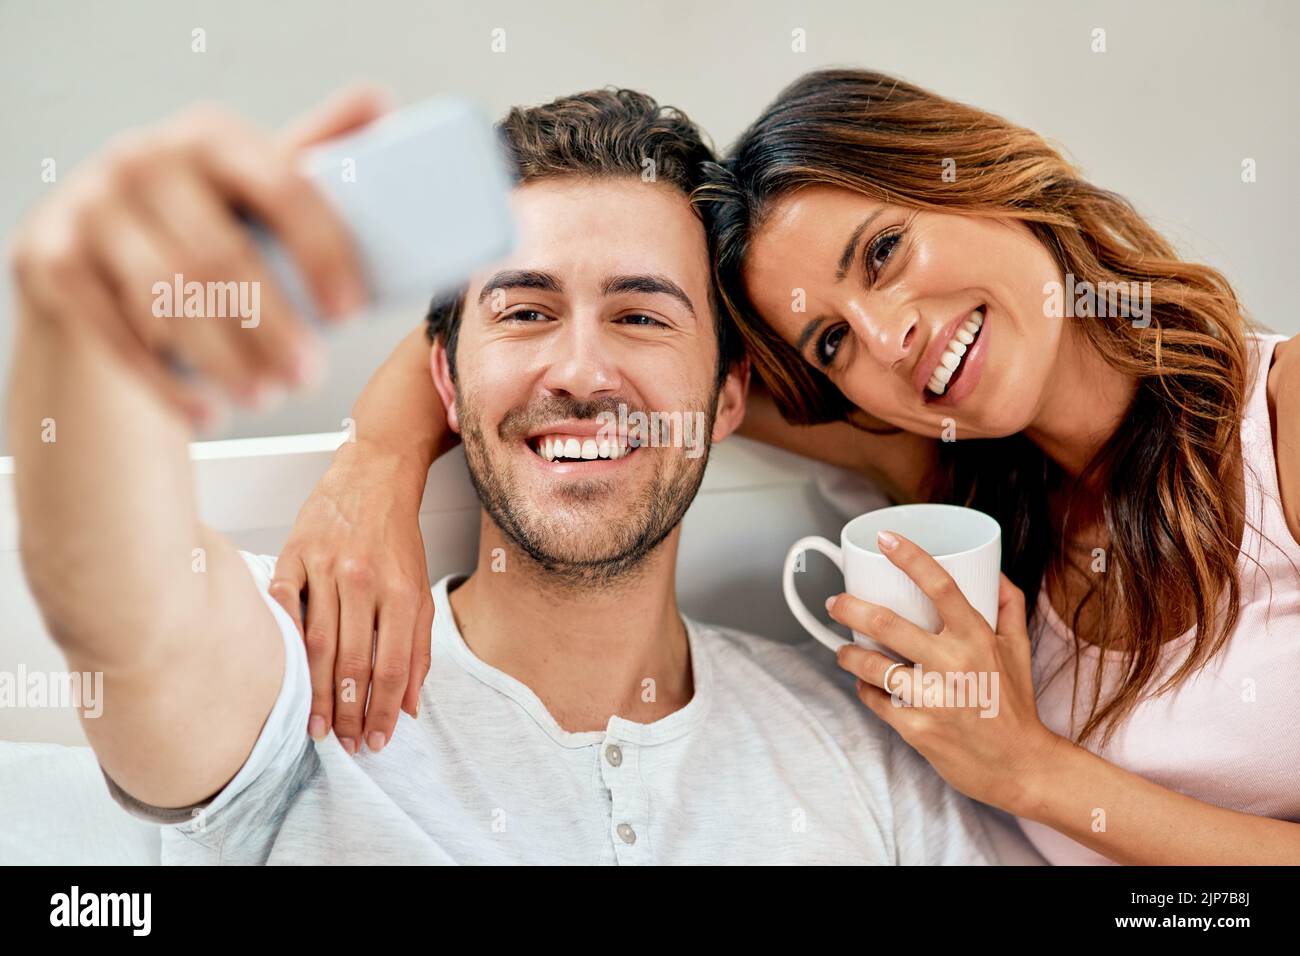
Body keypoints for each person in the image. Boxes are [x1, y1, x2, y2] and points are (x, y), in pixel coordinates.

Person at [280, 71, 1300, 865]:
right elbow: (562, 348)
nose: (888, 336)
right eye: (827, 344)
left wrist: (1032, 772)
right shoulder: (948, 466)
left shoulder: (1280, 417)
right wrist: (374, 465)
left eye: (885, 249)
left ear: (978, 169)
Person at [9, 86, 1003, 864]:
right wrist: (91, 346)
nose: (577, 370)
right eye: (525, 312)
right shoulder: (305, 681)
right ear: (443, 375)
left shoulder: (859, 747)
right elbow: (127, 617)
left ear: (729, 393)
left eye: (642, 315)